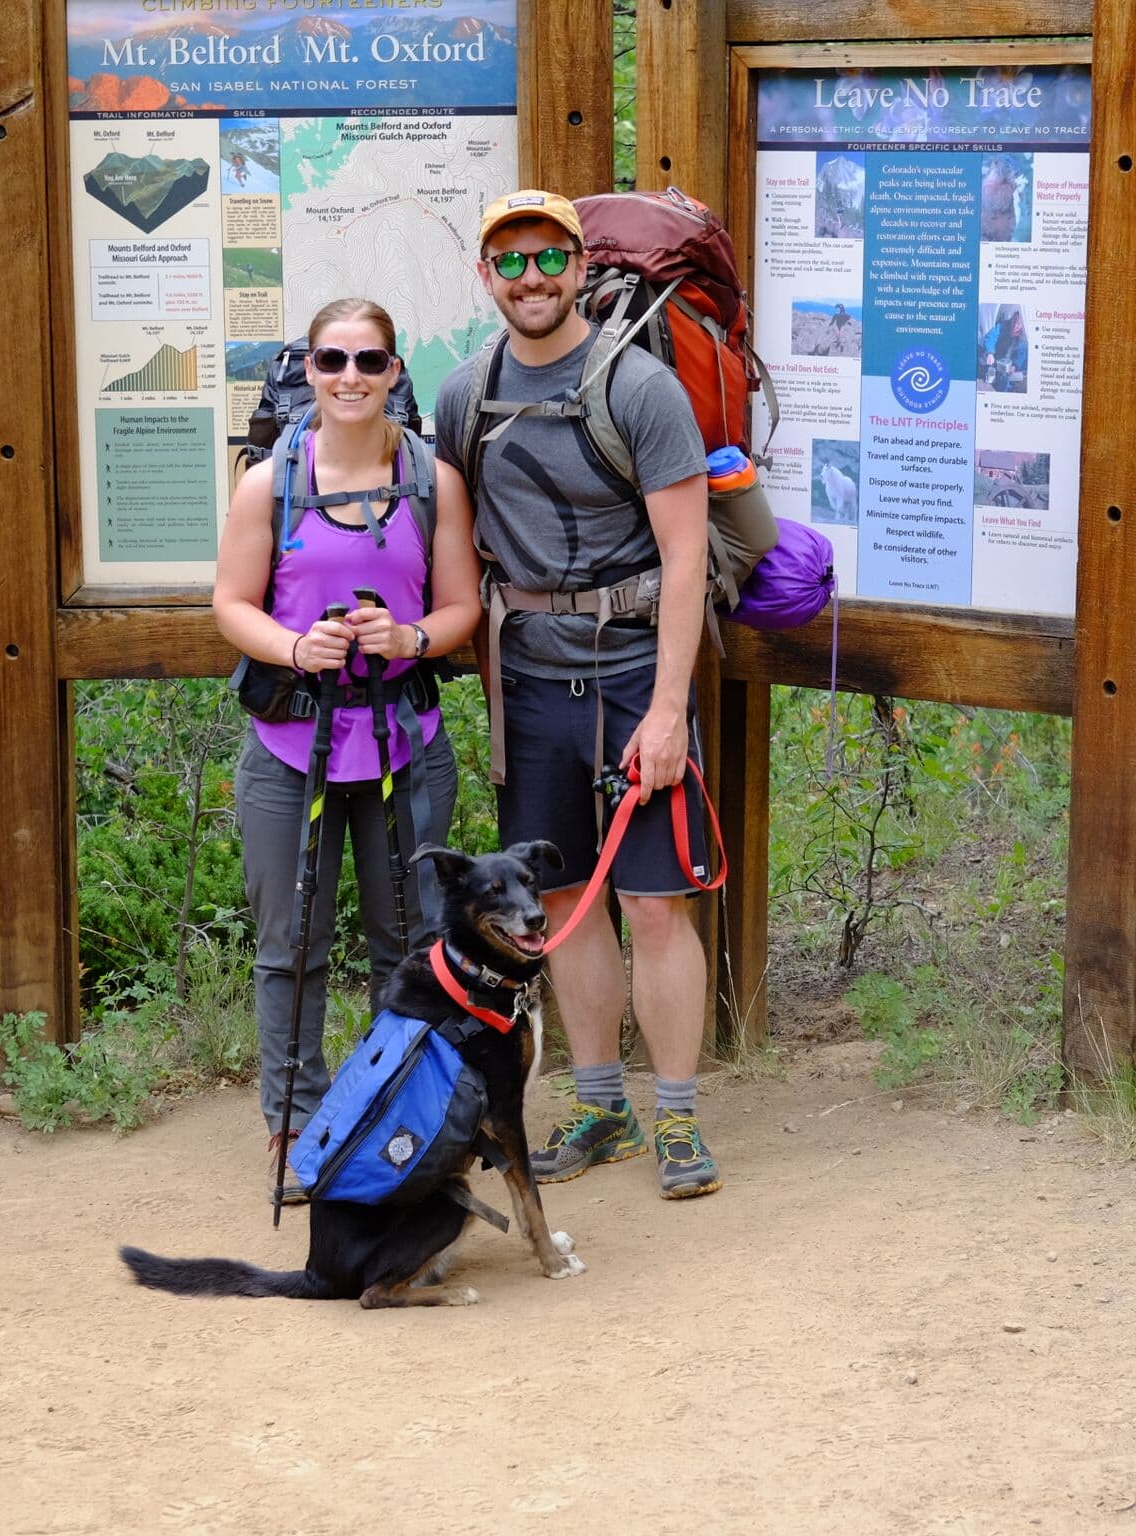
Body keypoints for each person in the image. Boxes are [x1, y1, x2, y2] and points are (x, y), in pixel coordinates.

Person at [433, 190, 722, 1200]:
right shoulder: (466, 395)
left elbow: (686, 557)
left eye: (548, 257)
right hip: (531, 681)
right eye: (509, 263)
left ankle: (677, 1119)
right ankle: (602, 1107)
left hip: (638, 666)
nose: (531, 280)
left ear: (578, 262)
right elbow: (461, 551)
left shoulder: (639, 389)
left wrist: (670, 709)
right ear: (486, 278)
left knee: (651, 903)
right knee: (559, 901)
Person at [214, 296, 482, 1200]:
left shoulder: (432, 482)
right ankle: (300, 1130)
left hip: (404, 742)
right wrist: (298, 647)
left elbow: (460, 610)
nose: (351, 378)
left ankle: (398, 1121)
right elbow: (231, 604)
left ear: (397, 371)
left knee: (406, 943)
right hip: (294, 747)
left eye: (370, 361)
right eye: (333, 361)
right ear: (310, 371)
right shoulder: (271, 481)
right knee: (291, 944)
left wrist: (407, 638)